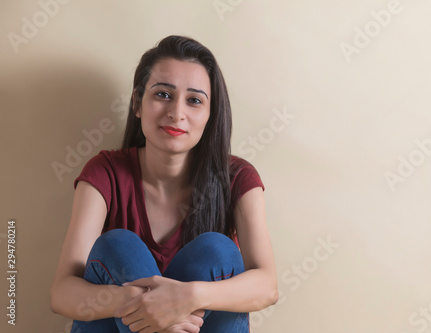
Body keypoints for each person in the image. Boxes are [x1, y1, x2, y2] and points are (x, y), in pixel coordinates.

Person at [50, 35, 278, 333]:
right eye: (163, 95)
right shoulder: (104, 172)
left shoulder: (238, 177)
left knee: (217, 250)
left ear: (211, 115)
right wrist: (138, 301)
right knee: (118, 246)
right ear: (137, 103)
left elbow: (267, 287)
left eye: (194, 100)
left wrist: (188, 297)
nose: (176, 113)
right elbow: (62, 293)